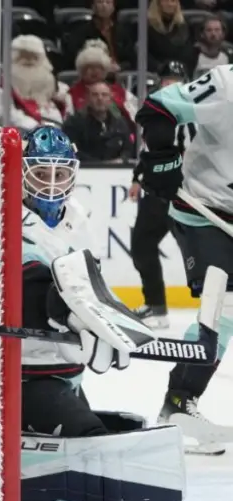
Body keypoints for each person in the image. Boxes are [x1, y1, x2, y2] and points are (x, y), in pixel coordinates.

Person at [0, 127, 184, 501]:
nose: (52, 185)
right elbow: (15, 290)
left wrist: (106, 320)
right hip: (2, 374)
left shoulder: (77, 219)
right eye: (41, 174)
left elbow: (86, 284)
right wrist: (69, 316)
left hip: (55, 369)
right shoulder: (3, 226)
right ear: (22, 174)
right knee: (91, 443)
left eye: (61, 174)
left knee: (108, 437)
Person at [134, 62, 233, 455]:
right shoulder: (226, 82)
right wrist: (162, 157)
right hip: (203, 209)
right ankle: (178, 400)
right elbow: (157, 109)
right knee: (224, 304)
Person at [128, 60, 189, 330]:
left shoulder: (190, 115)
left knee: (201, 250)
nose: (170, 85)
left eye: (175, 81)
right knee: (142, 246)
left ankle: (223, 305)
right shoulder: (155, 112)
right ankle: (156, 306)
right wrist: (138, 178)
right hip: (155, 193)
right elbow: (150, 153)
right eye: (166, 80)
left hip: (185, 194)